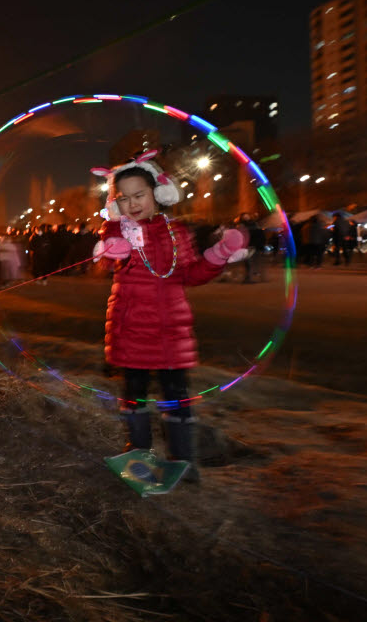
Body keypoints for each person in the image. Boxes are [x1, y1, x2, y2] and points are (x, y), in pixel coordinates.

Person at [91, 150, 248, 483]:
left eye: (140, 195)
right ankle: (138, 457)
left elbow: (190, 274)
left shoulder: (176, 232)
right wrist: (112, 250)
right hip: (132, 328)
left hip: (171, 331)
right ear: (115, 202)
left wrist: (218, 256)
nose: (133, 203)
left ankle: (184, 462)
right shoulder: (117, 229)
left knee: (177, 395)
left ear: (158, 194)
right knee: (134, 393)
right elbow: (107, 257)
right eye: (125, 198)